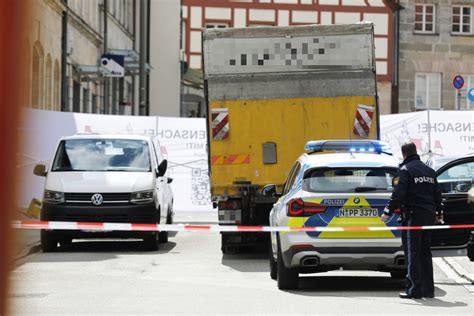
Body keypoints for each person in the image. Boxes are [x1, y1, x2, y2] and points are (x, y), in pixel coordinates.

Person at [381, 142, 442, 299]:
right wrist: (439, 213)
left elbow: (398, 194)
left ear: (404, 154)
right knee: (425, 252)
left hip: (413, 216)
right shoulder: (429, 171)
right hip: (429, 215)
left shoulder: (405, 170)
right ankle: (428, 290)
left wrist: (387, 212)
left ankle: (414, 290)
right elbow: (437, 194)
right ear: (416, 152)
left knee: (412, 253)